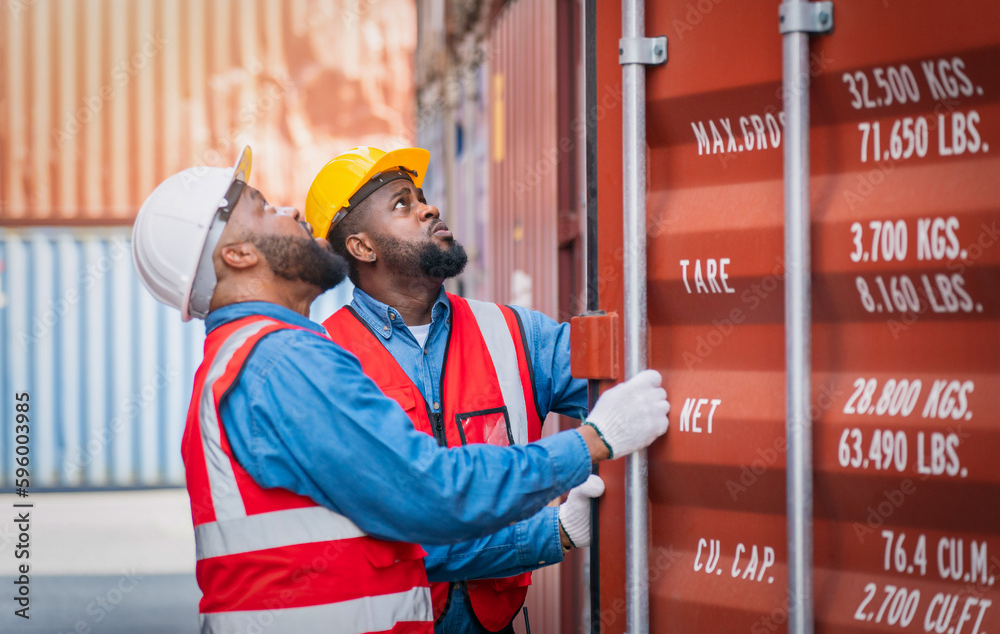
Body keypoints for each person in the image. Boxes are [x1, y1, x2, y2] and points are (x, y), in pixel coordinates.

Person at [131, 147, 670, 634]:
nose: (289, 213)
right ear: (239, 256)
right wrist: (589, 446)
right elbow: (429, 497)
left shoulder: (507, 333)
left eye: (423, 198)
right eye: (263, 206)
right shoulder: (291, 360)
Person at [304, 146, 670, 634]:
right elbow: (399, 539)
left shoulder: (512, 334)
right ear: (362, 247)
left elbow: (631, 387)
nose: (428, 208)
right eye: (401, 204)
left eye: (422, 197)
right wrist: (552, 531)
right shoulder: (324, 359)